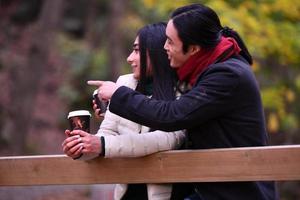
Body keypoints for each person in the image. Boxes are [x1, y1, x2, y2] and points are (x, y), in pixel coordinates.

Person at [88, 3, 279, 200]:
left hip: (238, 192)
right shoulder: (205, 69)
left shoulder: (226, 75)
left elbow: (173, 115)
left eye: (170, 42)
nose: (164, 47)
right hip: (211, 188)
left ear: (194, 48)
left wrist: (119, 96)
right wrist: (115, 110)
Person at [62, 22, 185, 200]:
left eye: (137, 51)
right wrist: (82, 148)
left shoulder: (183, 89)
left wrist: (101, 145)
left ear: (158, 53)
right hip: (127, 193)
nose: (129, 58)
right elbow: (107, 132)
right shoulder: (124, 83)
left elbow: (167, 139)